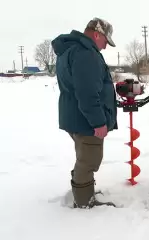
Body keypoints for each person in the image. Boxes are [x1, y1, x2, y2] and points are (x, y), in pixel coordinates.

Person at [51, 17, 118, 208]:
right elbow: (87, 92)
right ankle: (84, 201)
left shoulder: (69, 50)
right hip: (86, 119)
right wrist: (98, 121)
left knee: (84, 157)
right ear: (97, 34)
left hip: (75, 116)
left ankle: (83, 190)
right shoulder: (85, 53)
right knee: (89, 160)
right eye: (105, 42)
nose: (104, 47)